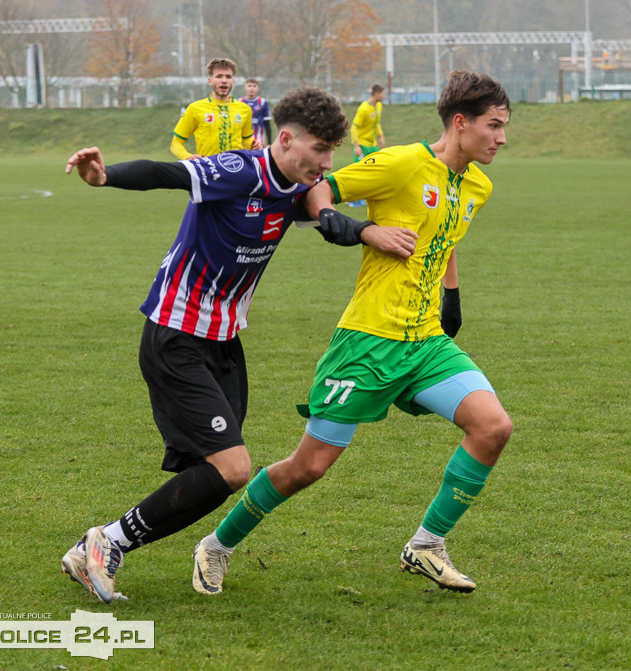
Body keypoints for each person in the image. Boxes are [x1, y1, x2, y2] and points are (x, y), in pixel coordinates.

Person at [60, 87, 417, 604]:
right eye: (319, 149)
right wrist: (106, 174)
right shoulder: (238, 171)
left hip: (224, 342)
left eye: (331, 151)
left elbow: (327, 220)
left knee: (218, 474)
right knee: (234, 468)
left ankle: (106, 545)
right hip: (177, 334)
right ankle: (104, 543)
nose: (326, 162)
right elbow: (167, 173)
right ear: (287, 137)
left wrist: (366, 232)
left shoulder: (295, 185)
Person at [191, 70, 513, 596]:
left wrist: (451, 299)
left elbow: (447, 234)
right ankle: (217, 545)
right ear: (461, 123)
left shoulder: (478, 183)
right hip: (367, 343)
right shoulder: (404, 162)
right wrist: (351, 226)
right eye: (493, 126)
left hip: (425, 342)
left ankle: (427, 545)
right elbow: (316, 187)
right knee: (308, 467)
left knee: (493, 428)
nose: (501, 138)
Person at [171, 58, 258, 160]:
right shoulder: (195, 108)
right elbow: (176, 143)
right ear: (210, 81)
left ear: (232, 81)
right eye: (219, 76)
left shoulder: (245, 109)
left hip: (236, 170)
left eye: (228, 77)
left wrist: (253, 145)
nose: (224, 80)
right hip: (208, 171)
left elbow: (246, 140)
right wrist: (188, 156)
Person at [347, 84, 387, 207]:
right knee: (358, 171)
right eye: (383, 93)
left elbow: (377, 122)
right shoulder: (363, 109)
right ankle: (350, 198)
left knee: (376, 169)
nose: (384, 96)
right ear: (376, 94)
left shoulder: (378, 106)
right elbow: (354, 128)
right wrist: (356, 146)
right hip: (362, 144)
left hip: (372, 145)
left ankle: (367, 195)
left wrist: (381, 136)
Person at [241, 77, 273, 148]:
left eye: (254, 86)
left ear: (258, 88)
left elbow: (267, 124)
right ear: (245, 87)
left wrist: (269, 142)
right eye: (249, 86)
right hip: (242, 142)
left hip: (259, 142)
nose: (251, 88)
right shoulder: (239, 102)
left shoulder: (263, 102)